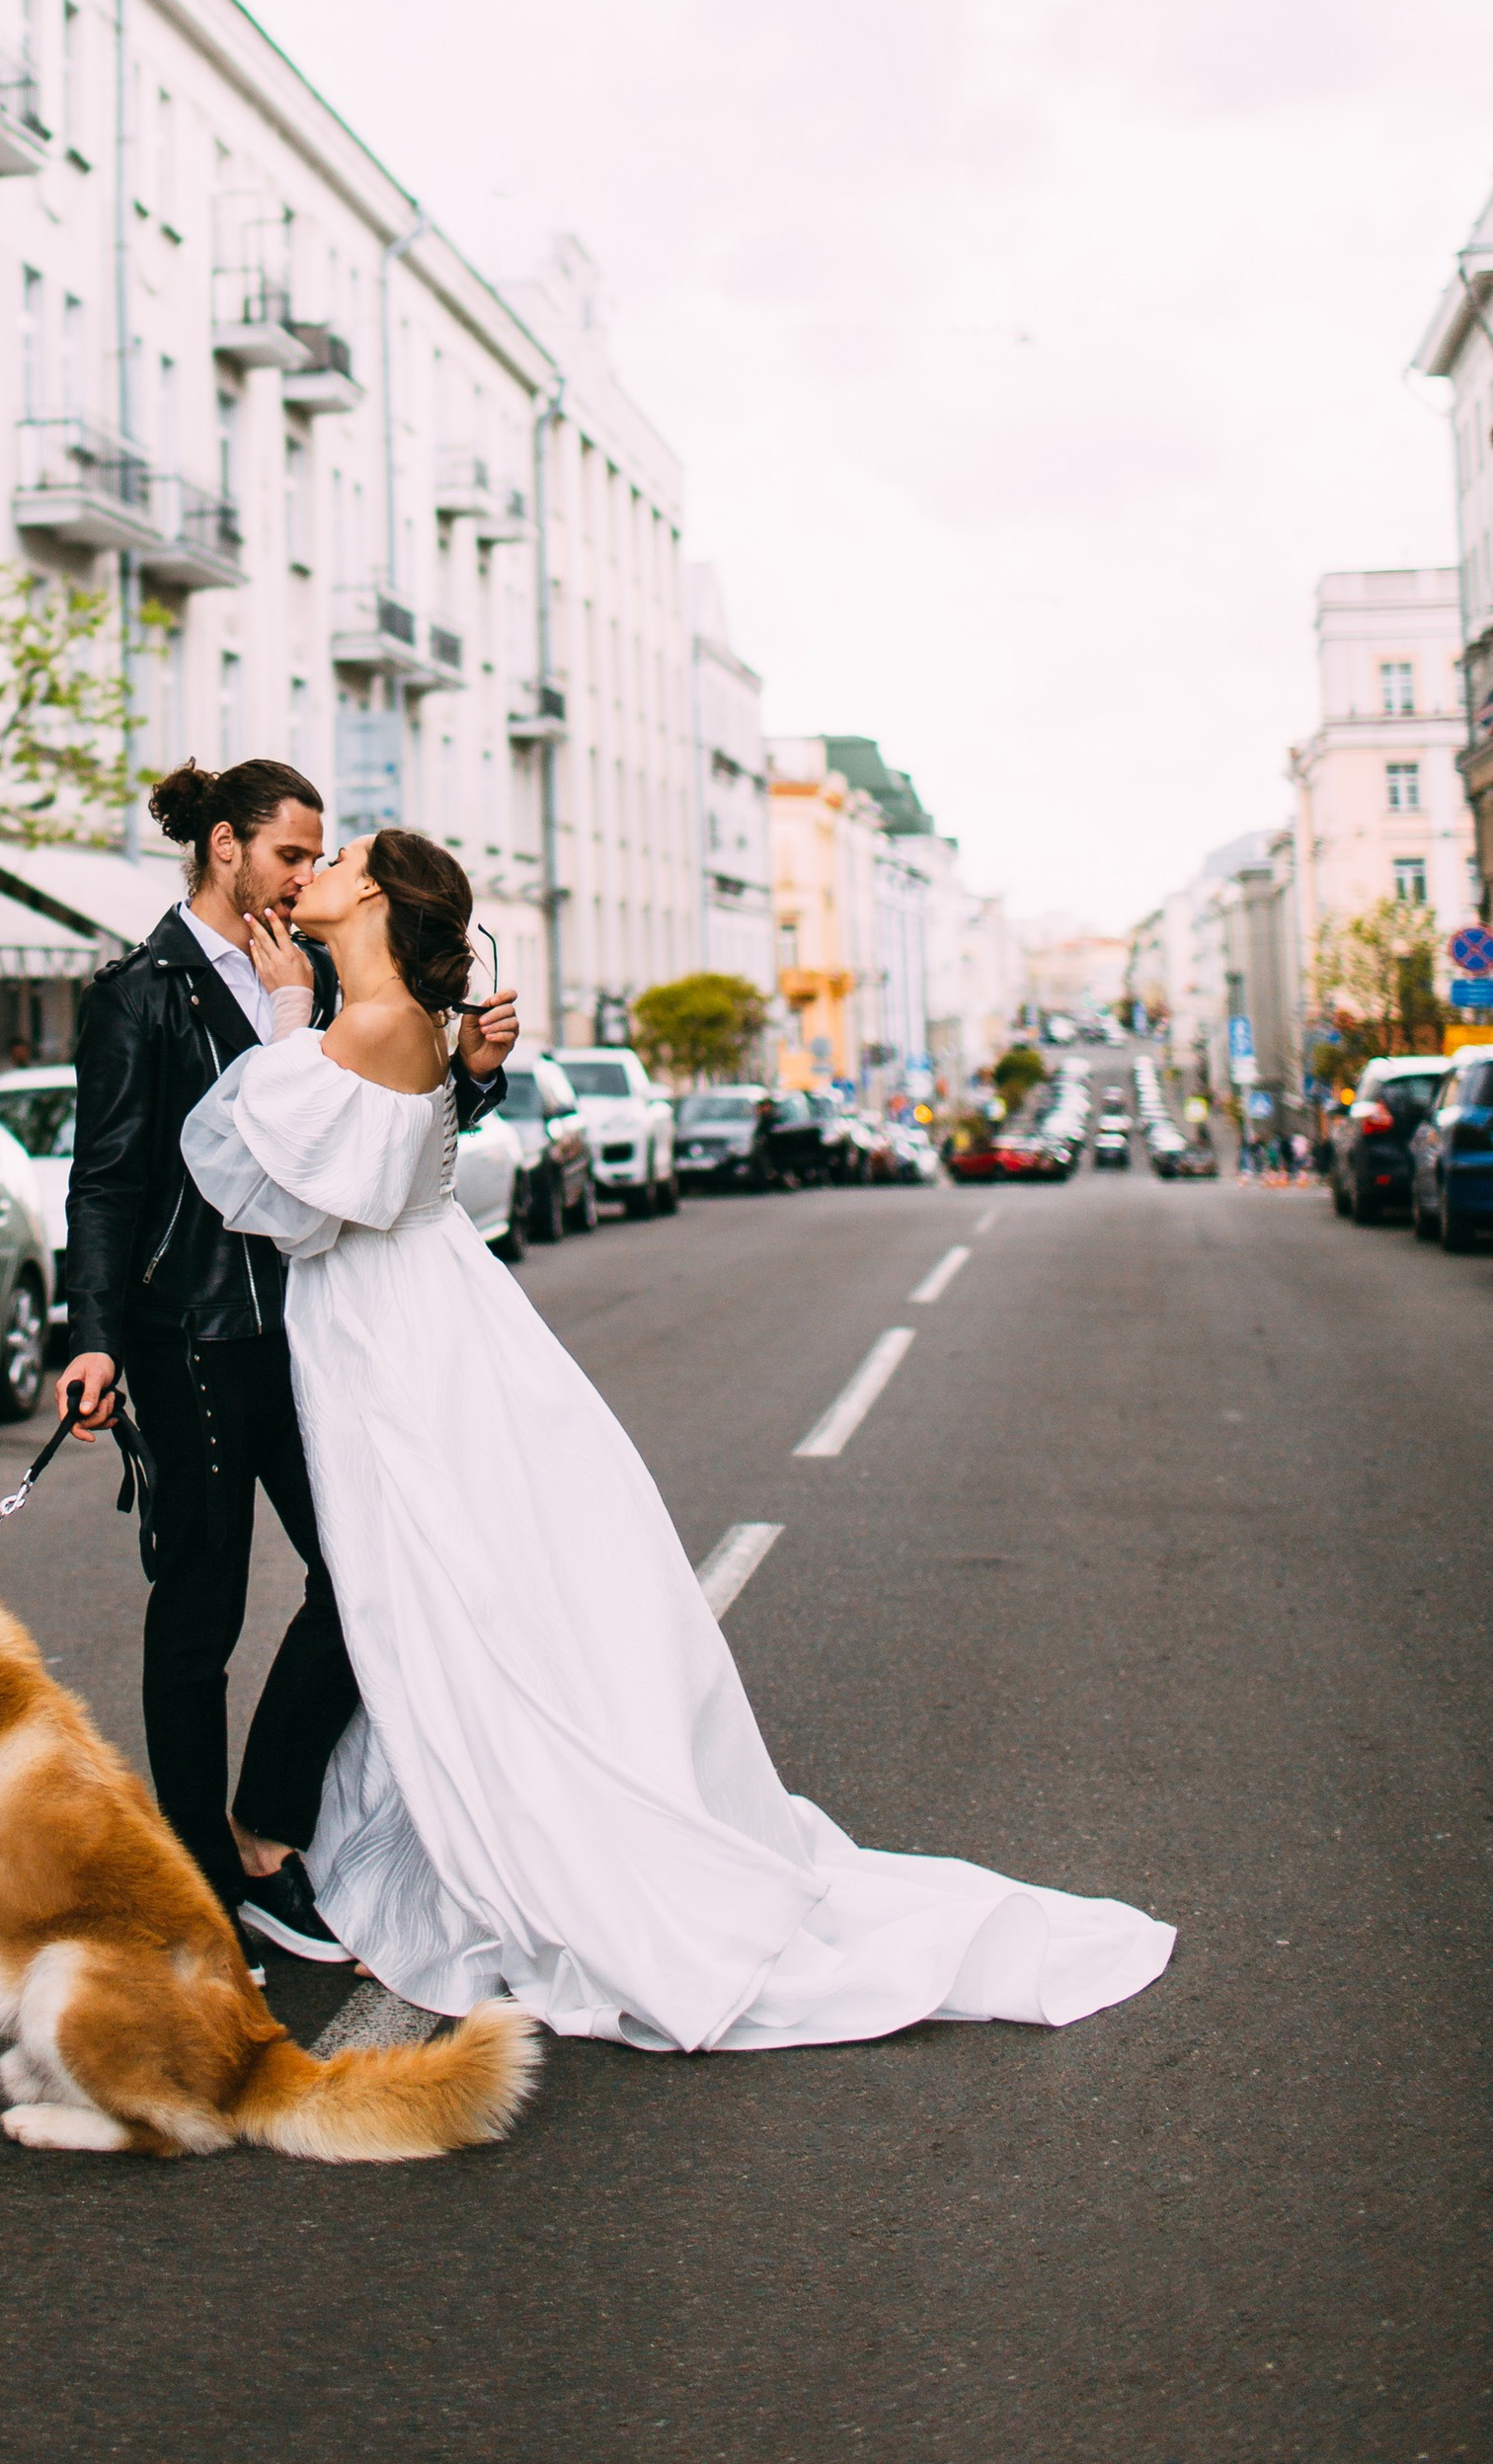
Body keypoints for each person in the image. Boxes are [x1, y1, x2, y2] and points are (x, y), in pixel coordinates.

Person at [179, 825, 1176, 2053]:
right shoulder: (390, 1020)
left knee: (421, 1578)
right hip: (410, 1316)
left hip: (396, 1339)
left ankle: (426, 1827)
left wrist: (282, 1007)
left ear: (376, 897)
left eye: (336, 858)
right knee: (425, 1582)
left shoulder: (363, 1021)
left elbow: (278, 1160)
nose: (312, 870)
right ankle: (384, 1815)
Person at [55, 757, 513, 1964]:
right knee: (198, 1607)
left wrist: (474, 1078)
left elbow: (378, 1139)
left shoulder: (305, 974)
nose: (306, 874)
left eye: (319, 858)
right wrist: (93, 1332)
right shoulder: (138, 994)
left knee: (363, 1582)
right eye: (290, 854)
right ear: (224, 849)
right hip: (193, 1338)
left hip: (313, 1335)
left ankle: (270, 1824)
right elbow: (105, 1179)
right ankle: (204, 1879)